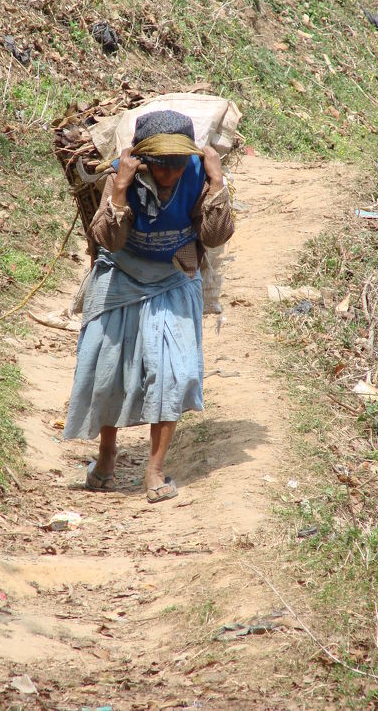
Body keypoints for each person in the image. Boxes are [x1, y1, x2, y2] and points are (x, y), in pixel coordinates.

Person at [63, 109, 235, 502]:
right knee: (110, 372)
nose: (170, 175)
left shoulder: (199, 174)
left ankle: (154, 472)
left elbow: (214, 236)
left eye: (177, 166)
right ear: (144, 159)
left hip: (175, 276)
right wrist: (120, 189)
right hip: (122, 274)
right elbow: (109, 240)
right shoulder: (120, 176)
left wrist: (216, 180)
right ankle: (106, 458)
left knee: (177, 373)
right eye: (161, 167)